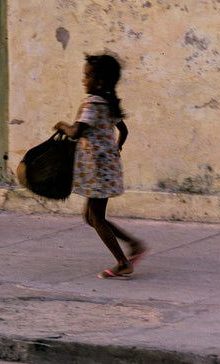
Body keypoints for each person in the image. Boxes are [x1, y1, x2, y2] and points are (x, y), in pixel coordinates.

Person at [55, 54, 147, 278]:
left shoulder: (92, 104)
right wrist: (116, 149)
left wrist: (61, 125)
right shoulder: (108, 104)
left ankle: (123, 262)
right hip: (106, 168)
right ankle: (133, 244)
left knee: (95, 217)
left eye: (87, 76)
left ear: (100, 81)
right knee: (91, 216)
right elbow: (123, 131)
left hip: (97, 170)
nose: (83, 80)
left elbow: (76, 132)